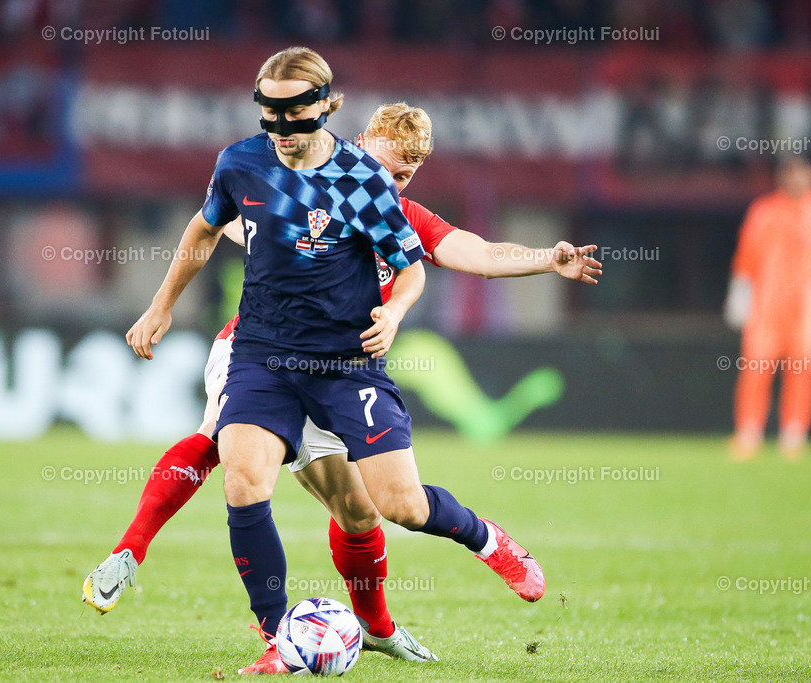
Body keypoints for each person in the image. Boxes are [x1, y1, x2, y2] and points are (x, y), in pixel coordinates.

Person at [121, 48, 598, 674]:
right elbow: (219, 226)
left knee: (382, 508)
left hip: (346, 365)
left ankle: (449, 568)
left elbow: (477, 253)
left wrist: (543, 259)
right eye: (385, 167)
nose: (391, 183)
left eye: (405, 177)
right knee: (237, 465)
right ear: (360, 140)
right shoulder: (281, 175)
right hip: (256, 350)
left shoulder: (388, 207)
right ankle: (259, 626)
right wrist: (168, 301)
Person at [725, 154, 811, 460]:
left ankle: (793, 434)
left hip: (805, 309)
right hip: (766, 307)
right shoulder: (764, 211)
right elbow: (747, 254)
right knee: (756, 369)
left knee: (802, 370)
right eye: (791, 174)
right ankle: (749, 432)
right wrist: (740, 294)